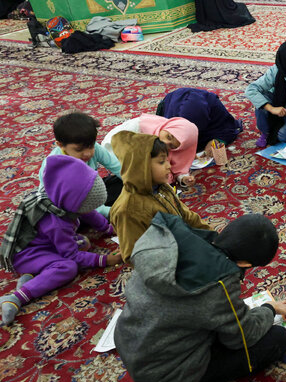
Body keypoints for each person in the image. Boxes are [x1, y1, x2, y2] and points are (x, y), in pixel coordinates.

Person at [114, 211, 286, 382]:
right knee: (277, 338)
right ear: (245, 263)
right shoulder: (219, 283)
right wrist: (268, 309)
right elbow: (242, 336)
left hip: (135, 349)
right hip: (167, 381)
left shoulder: (170, 242)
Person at [0, 155, 121, 326]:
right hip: (27, 256)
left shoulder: (62, 199)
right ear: (73, 204)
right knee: (68, 267)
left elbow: (89, 212)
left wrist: (108, 229)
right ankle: (15, 297)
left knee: (84, 243)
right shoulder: (56, 223)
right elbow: (72, 256)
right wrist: (106, 259)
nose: (87, 209)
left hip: (44, 244)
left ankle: (33, 276)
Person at [109, 131, 212, 263]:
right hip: (169, 268)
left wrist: (211, 235)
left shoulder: (162, 187)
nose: (169, 166)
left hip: (184, 249)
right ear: (141, 166)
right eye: (162, 162)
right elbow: (134, 256)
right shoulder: (128, 210)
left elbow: (186, 215)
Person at [39, 112, 122, 218]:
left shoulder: (94, 148)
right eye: (79, 149)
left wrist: (138, 184)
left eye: (91, 146)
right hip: (69, 206)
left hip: (90, 194)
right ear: (60, 145)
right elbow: (76, 204)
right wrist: (112, 212)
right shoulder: (56, 167)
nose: (87, 153)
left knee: (125, 181)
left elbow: (118, 167)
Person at [102, 114, 199, 187]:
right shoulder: (139, 127)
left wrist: (183, 178)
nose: (165, 142)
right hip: (116, 155)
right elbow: (109, 148)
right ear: (168, 127)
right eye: (168, 136)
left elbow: (178, 163)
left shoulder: (171, 145)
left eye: (172, 146)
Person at [156, 87, 243, 156]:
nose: (167, 143)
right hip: (176, 101)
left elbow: (228, 127)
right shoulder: (172, 120)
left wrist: (217, 140)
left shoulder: (214, 107)